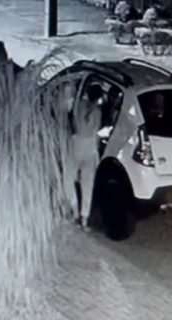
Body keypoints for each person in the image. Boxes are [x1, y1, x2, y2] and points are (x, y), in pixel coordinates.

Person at [72, 83, 104, 231]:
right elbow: (97, 129)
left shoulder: (78, 105)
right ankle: (84, 218)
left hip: (76, 143)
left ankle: (72, 210)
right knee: (87, 184)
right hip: (90, 146)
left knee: (70, 178)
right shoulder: (97, 111)